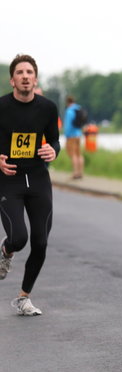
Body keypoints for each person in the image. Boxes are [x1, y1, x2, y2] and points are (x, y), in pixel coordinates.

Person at [0, 54, 60, 316]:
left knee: (41, 242)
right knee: (18, 238)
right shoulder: (1, 106)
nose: (25, 76)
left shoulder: (47, 108)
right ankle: (6, 250)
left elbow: (55, 141)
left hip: (37, 179)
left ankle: (24, 298)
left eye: (30, 72)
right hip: (9, 179)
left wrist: (53, 152)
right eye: (20, 72)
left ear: (35, 79)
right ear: (12, 79)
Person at [63, 95, 84, 179]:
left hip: (71, 135)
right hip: (79, 134)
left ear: (67, 102)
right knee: (79, 154)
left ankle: (75, 173)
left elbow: (68, 125)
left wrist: (66, 135)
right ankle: (81, 173)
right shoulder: (78, 109)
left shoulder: (69, 111)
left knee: (73, 154)